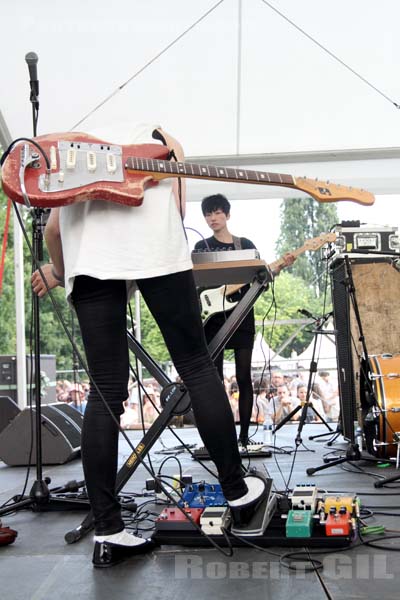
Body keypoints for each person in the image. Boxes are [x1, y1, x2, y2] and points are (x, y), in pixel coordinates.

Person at [31, 123, 268, 568]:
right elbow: (176, 208)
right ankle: (238, 492)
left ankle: (108, 531)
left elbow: (54, 232)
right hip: (157, 254)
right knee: (196, 365)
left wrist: (62, 272)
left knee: (105, 389)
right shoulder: (163, 143)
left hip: (90, 264)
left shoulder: (73, 146)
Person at [193, 194, 259, 447]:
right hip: (212, 319)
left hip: (241, 315)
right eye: (208, 214)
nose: (212, 218)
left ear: (228, 215)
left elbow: (258, 277)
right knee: (214, 380)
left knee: (244, 376)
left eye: (217, 212)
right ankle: (222, 437)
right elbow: (196, 283)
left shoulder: (244, 244)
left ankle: (243, 436)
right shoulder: (201, 247)